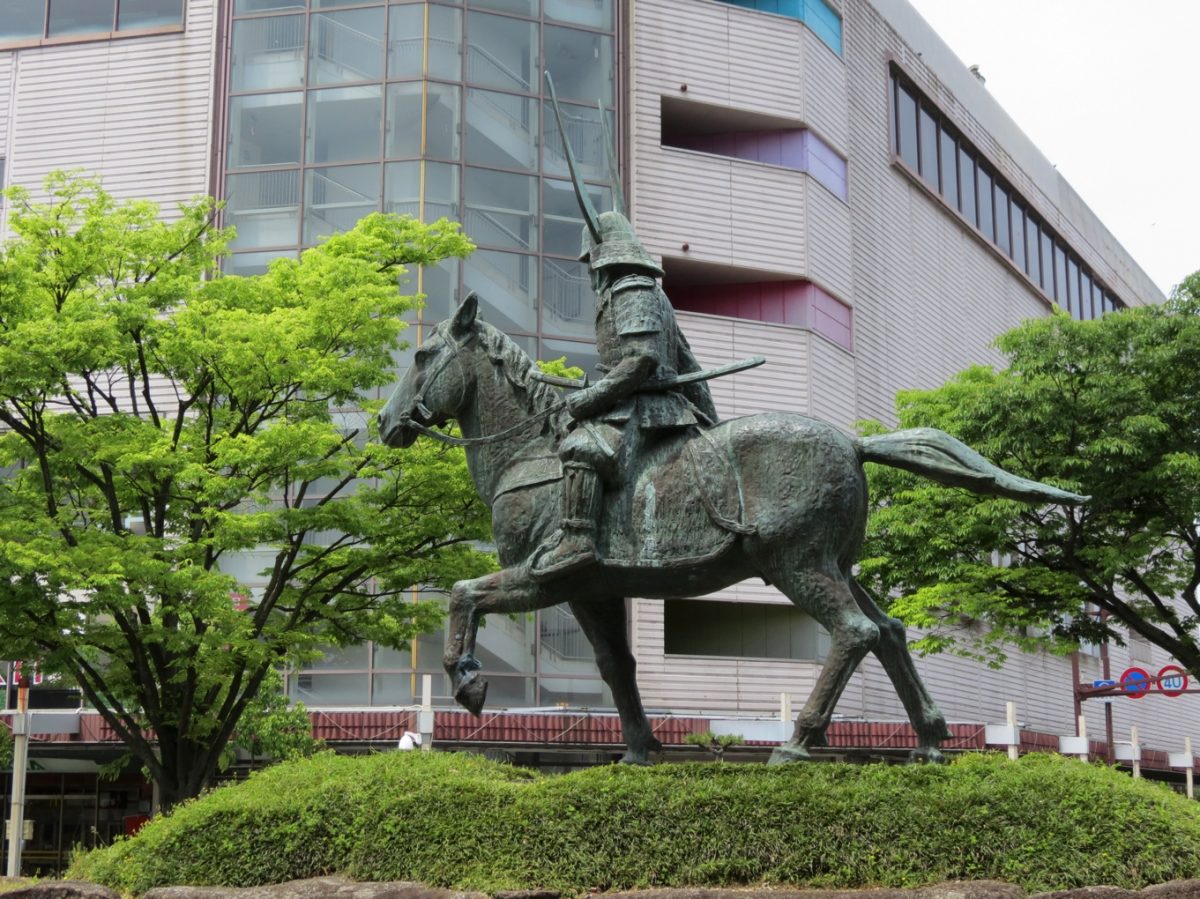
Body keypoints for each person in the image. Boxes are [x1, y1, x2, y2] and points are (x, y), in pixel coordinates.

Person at [530, 210, 718, 580]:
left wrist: (591, 399)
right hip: (642, 403)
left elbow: (643, 359)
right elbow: (688, 362)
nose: (588, 271)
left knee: (579, 447)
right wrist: (710, 416)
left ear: (603, 258)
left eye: (589, 262)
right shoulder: (649, 293)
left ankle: (578, 540)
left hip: (647, 408)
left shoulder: (631, 289)